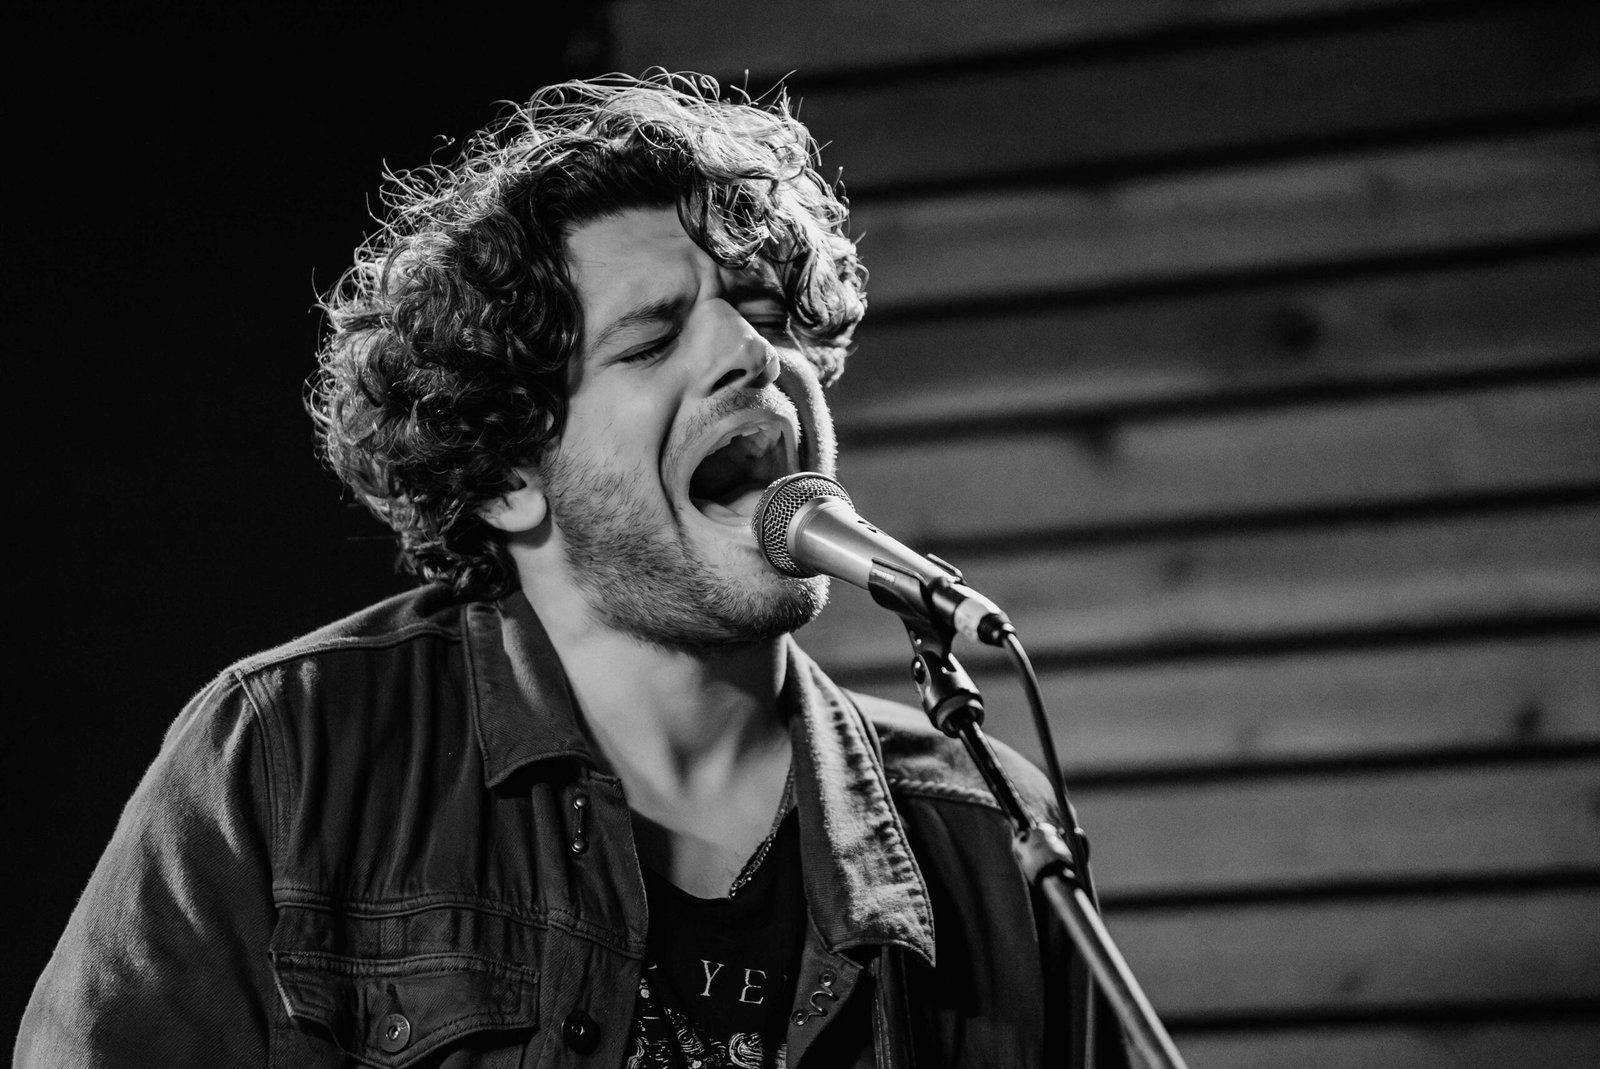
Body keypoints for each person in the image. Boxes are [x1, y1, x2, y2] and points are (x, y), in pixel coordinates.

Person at [16, 72, 1128, 1068]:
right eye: (650, 340)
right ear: (508, 473)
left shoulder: (984, 828)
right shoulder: (290, 758)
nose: (751, 352)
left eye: (758, 311)